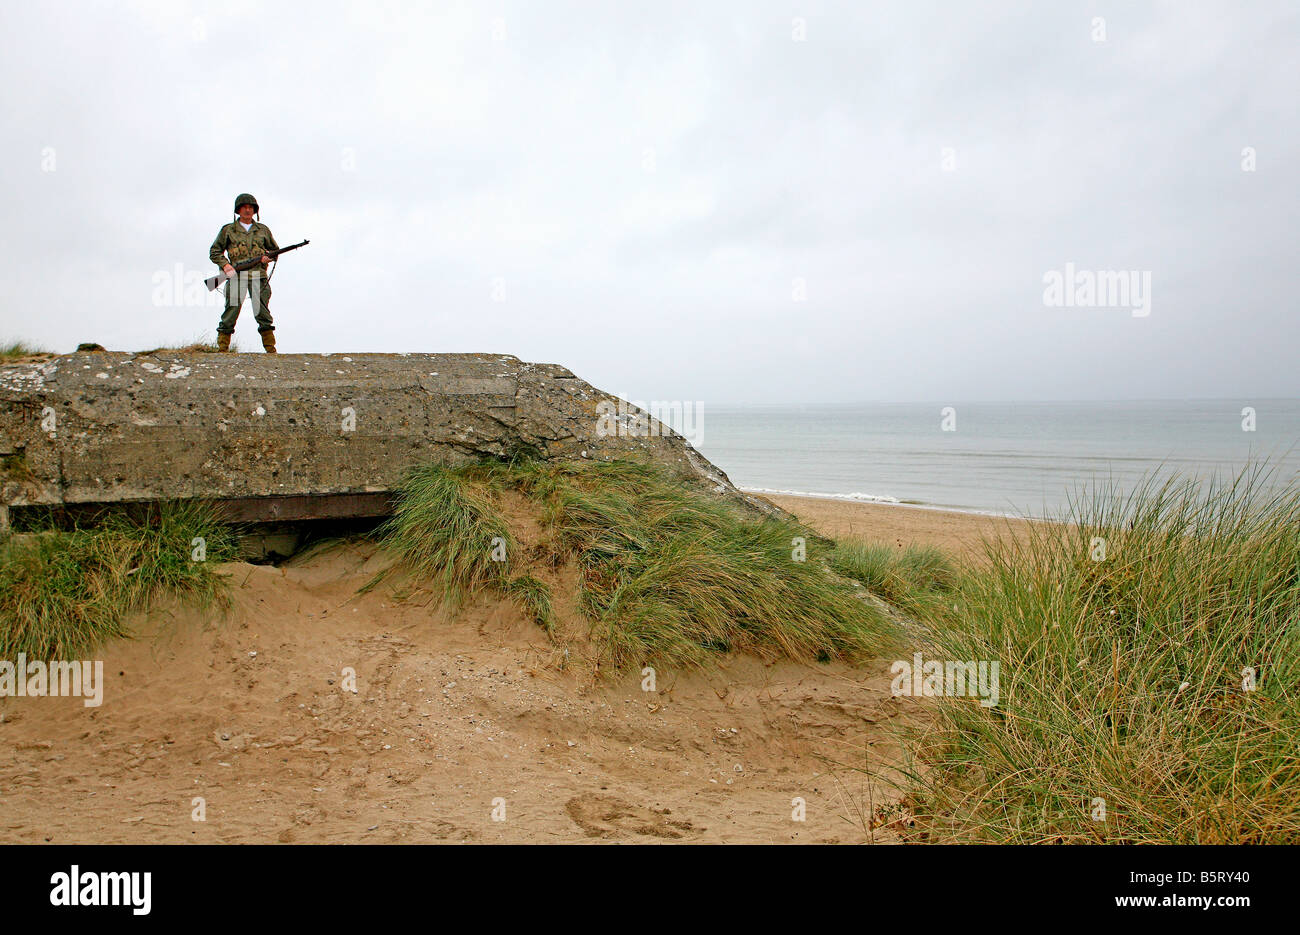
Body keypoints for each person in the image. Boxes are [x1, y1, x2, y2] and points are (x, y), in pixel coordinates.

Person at [209, 193, 280, 353]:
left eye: (250, 207)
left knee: (262, 312)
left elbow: (275, 251)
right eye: (244, 207)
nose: (248, 210)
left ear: (255, 210)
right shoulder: (228, 230)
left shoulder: (263, 230)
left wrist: (268, 258)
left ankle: (271, 350)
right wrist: (225, 266)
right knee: (231, 312)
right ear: (238, 210)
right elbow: (215, 251)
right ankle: (222, 349)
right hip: (236, 276)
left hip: (258, 276)